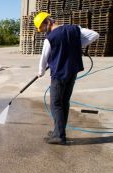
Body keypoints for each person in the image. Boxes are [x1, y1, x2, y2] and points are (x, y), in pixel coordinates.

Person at [34, 12, 99, 145]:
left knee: (56, 104)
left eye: (41, 29)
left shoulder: (50, 38)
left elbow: (44, 58)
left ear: (47, 22)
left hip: (59, 75)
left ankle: (59, 135)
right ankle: (59, 131)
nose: (42, 32)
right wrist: (76, 45)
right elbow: (94, 35)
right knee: (64, 102)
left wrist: (40, 72)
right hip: (72, 72)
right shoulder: (74, 29)